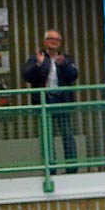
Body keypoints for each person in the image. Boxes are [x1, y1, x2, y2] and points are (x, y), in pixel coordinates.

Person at [22, 29, 79, 165]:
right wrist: (39, 64)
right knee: (47, 136)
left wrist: (63, 64)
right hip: (44, 101)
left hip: (62, 101)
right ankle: (51, 167)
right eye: (51, 39)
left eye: (57, 39)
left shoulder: (65, 58)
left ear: (60, 43)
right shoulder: (36, 57)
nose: (54, 41)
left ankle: (72, 167)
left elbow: (73, 76)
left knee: (67, 134)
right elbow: (27, 76)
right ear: (45, 41)